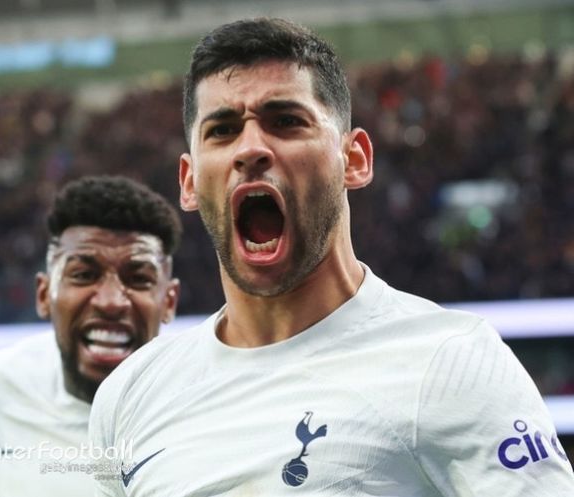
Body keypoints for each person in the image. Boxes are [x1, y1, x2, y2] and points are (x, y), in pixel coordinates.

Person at [89, 18, 574, 496]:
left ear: (355, 159)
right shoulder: (131, 394)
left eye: (286, 122)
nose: (251, 148)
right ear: (190, 182)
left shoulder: (450, 361)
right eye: (223, 130)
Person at [0, 175, 182, 496]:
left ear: (169, 302)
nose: (111, 301)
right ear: (43, 294)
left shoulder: (207, 405)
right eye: (84, 274)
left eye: (138, 279)